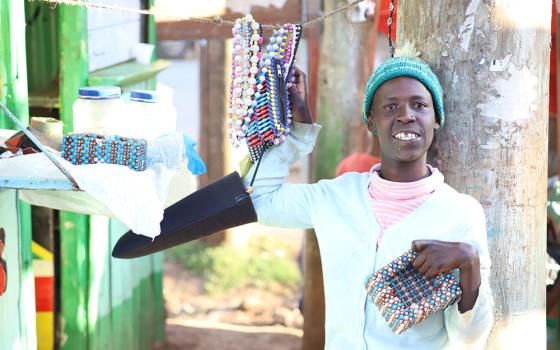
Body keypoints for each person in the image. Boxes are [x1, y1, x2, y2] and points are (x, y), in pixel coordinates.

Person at [244, 44, 493, 349]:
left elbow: (469, 339)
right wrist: (298, 131)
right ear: (371, 122)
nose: (406, 116)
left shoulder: (460, 213)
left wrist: (470, 264)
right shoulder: (335, 197)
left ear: (436, 119)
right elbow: (258, 200)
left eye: (419, 105)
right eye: (390, 107)